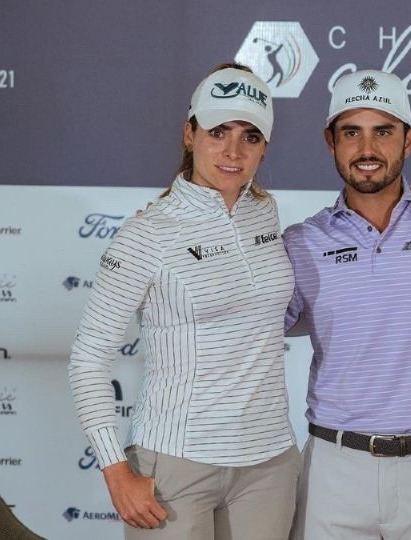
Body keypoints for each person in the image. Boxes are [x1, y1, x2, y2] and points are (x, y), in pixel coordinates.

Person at [69, 64, 300, 539]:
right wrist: (115, 471)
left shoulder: (265, 213)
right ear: (189, 133)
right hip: (176, 465)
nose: (233, 151)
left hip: (270, 463)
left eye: (250, 136)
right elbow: (88, 359)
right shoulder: (146, 234)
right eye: (218, 132)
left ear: (265, 146)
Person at [284, 70, 411, 540]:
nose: (367, 149)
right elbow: (245, 329)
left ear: (408, 141)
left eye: (383, 131)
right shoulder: (300, 242)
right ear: (330, 142)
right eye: (352, 132)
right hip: (336, 469)